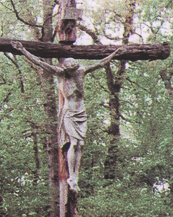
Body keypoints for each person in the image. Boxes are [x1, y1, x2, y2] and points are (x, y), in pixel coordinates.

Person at [12, 42, 126, 192]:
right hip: (69, 112)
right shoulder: (60, 74)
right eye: (70, 70)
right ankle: (72, 177)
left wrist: (115, 54)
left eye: (74, 69)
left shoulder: (81, 72)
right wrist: (22, 50)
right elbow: (39, 62)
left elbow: (100, 63)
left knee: (81, 145)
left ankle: (75, 177)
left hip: (81, 111)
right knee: (74, 143)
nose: (72, 72)